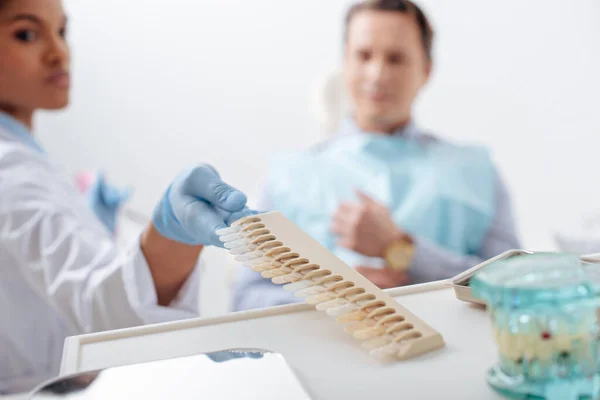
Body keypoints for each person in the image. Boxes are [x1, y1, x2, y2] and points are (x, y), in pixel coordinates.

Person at [0, 0, 254, 394]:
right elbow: (100, 310)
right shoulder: (10, 171)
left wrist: (93, 229)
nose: (59, 52)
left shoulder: (24, 159)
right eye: (27, 34)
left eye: (62, 31)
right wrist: (170, 238)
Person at [233, 0, 520, 311]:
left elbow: (516, 288)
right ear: (345, 63)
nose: (377, 74)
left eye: (396, 58)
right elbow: (246, 300)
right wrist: (332, 293)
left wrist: (404, 250)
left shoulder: (475, 173)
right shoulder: (290, 176)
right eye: (363, 55)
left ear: (426, 70)